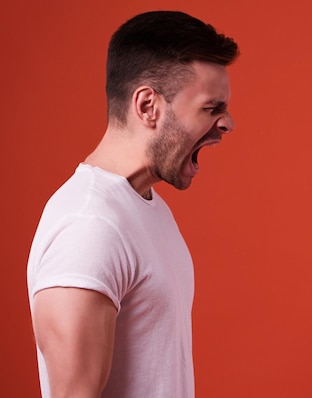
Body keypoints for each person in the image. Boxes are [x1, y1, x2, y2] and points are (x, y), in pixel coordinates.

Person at [27, 10, 238, 397]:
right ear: (147, 106)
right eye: (211, 108)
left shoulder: (144, 206)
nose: (227, 124)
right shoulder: (89, 226)